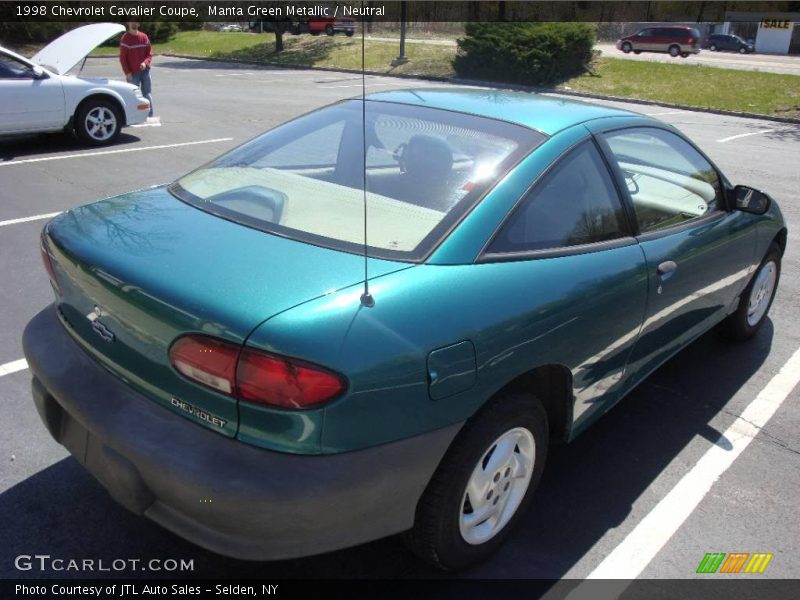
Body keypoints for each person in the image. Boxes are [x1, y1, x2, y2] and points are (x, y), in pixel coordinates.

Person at [119, 21, 154, 117]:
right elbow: (123, 59)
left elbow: (149, 54)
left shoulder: (144, 37)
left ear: (138, 24)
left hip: (145, 71)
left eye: (136, 22)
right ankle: (132, 115)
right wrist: (127, 73)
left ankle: (149, 115)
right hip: (133, 73)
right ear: (129, 24)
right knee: (132, 95)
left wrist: (145, 63)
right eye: (132, 22)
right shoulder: (125, 39)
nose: (134, 24)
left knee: (147, 94)